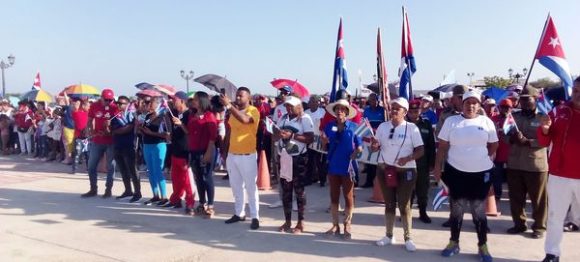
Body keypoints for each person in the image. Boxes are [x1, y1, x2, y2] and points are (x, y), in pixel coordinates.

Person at [434, 90, 498, 262]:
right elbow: (442, 147)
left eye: (474, 103)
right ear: (462, 103)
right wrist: (437, 168)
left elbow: (494, 145)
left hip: (480, 173)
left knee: (478, 209)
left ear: (479, 105)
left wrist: (480, 159)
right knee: (457, 208)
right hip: (456, 171)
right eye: (468, 102)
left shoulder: (486, 122)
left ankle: (482, 245)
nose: (471, 105)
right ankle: (454, 243)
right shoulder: (451, 121)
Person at [372, 98, 424, 252]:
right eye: (393, 108)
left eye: (398, 108)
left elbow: (420, 150)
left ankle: (408, 238)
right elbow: (375, 147)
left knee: (404, 204)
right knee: (389, 204)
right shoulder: (382, 126)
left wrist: (407, 158)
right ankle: (389, 235)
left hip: (406, 170)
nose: (394, 111)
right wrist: (374, 146)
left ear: (405, 112)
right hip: (385, 169)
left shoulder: (412, 128)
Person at [537, 77, 580, 262]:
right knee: (555, 216)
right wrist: (545, 130)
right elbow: (544, 141)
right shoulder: (558, 111)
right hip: (559, 174)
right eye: (576, 90)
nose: (578, 95)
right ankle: (552, 253)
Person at [505, 86, 548, 239]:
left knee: (538, 199)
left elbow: (548, 140)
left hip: (535, 165)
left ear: (535, 99)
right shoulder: (514, 117)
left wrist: (528, 142)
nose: (523, 102)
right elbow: (505, 135)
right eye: (521, 99)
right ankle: (519, 224)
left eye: (526, 99)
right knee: (516, 197)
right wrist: (512, 138)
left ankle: (539, 227)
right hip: (515, 163)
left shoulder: (543, 117)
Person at [320, 97, 362, 240]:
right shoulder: (328, 126)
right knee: (333, 196)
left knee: (348, 197)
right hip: (333, 166)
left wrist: (356, 152)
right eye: (337, 109)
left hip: (347, 167)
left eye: (342, 109)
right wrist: (324, 142)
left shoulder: (354, 127)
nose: (339, 111)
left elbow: (360, 147)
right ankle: (335, 224)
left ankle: (347, 224)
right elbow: (325, 147)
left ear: (346, 112)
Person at [220, 87, 261, 230]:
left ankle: (255, 216)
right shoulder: (232, 112)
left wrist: (229, 105)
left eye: (240, 96)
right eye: (236, 96)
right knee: (236, 186)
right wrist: (224, 152)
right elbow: (230, 132)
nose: (237, 98)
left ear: (248, 98)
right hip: (233, 154)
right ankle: (239, 213)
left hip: (247, 155)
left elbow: (244, 120)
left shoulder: (253, 111)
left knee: (250, 187)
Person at [274, 95, 314, 234]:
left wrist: (292, 136)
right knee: (286, 190)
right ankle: (287, 221)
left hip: (298, 158)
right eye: (287, 106)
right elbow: (276, 133)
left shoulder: (305, 118)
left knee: (299, 191)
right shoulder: (283, 118)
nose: (288, 108)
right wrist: (278, 133)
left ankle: (300, 222)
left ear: (298, 106)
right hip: (284, 156)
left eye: (291, 106)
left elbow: (310, 138)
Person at [435, 85, 468, 228]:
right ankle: (454, 217)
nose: (451, 99)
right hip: (451, 158)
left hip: (472, 159)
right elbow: (438, 132)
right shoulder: (446, 114)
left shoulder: (479, 112)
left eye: (453, 97)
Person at [82, 89, 118, 198]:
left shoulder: (114, 107)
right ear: (101, 98)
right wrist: (89, 130)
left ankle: (108, 189)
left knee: (110, 166)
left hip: (111, 141)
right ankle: (93, 188)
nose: (108, 102)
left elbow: (118, 124)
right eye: (106, 99)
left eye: (110, 100)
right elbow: (89, 121)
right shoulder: (94, 106)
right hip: (97, 140)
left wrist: (109, 129)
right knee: (91, 165)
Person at [187, 91, 218, 217]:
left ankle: (210, 205)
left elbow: (213, 137)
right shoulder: (193, 115)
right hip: (194, 151)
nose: (193, 101)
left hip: (206, 150)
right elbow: (189, 132)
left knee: (207, 177)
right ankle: (202, 202)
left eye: (195, 99)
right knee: (198, 178)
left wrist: (208, 153)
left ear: (201, 101)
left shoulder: (209, 116)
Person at [406, 99, 436, 224]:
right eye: (411, 111)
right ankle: (406, 213)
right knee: (407, 190)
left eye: (416, 111)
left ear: (420, 110)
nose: (414, 113)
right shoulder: (404, 124)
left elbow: (431, 144)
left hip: (422, 164)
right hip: (407, 163)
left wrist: (432, 162)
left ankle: (423, 212)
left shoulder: (426, 124)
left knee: (422, 189)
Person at [139, 96, 171, 206]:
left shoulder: (164, 116)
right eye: (148, 102)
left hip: (159, 145)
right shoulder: (147, 115)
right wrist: (141, 129)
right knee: (150, 171)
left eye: (151, 102)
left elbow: (167, 135)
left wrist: (151, 133)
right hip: (147, 145)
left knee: (158, 171)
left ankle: (164, 197)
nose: (148, 105)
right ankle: (155, 195)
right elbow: (144, 129)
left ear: (158, 104)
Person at [110, 96, 141, 202]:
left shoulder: (132, 115)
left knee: (133, 170)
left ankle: (138, 193)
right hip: (118, 145)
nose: (118, 105)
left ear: (127, 104)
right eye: (118, 103)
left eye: (121, 103)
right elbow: (111, 130)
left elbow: (129, 128)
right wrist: (108, 127)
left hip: (129, 145)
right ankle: (128, 190)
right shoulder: (115, 116)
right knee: (123, 170)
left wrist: (117, 131)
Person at [489, 99, 513, 201]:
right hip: (497, 152)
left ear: (511, 108)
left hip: (511, 153)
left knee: (513, 176)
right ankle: (497, 194)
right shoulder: (493, 119)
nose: (505, 109)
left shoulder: (514, 120)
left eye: (507, 107)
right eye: (503, 107)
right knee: (497, 175)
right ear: (499, 108)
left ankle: (513, 195)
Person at [361, 93, 385, 188]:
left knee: (379, 161)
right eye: (371, 100)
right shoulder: (366, 111)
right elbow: (364, 123)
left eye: (374, 100)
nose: (373, 102)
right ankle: (369, 181)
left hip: (380, 137)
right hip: (370, 138)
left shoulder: (383, 111)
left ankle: (379, 182)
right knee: (370, 161)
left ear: (377, 100)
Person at [305, 95, 326, 186]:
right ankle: (309, 179)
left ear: (318, 103)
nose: (312, 103)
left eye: (314, 101)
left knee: (319, 161)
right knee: (309, 161)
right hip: (309, 139)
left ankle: (322, 179)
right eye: (311, 101)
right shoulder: (306, 112)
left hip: (319, 140)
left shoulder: (322, 112)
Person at [71, 99, 90, 174]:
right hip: (78, 137)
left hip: (86, 137)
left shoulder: (88, 113)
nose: (89, 107)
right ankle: (74, 169)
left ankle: (88, 168)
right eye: (88, 106)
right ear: (83, 106)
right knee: (77, 153)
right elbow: (74, 108)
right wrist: (77, 103)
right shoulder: (76, 113)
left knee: (87, 154)